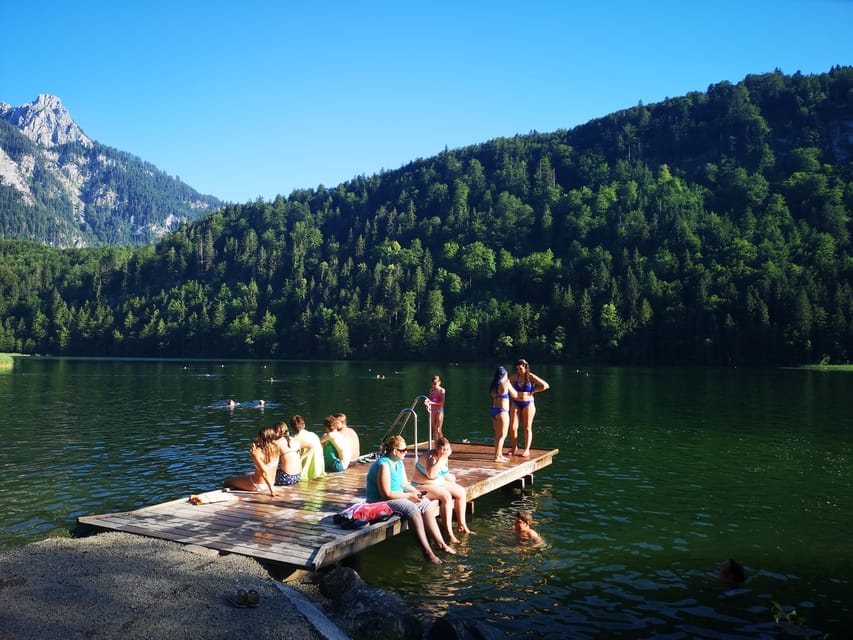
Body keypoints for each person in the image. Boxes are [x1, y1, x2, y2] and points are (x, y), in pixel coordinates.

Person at [365, 435, 456, 564]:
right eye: (403, 450)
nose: (405, 452)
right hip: (379, 501)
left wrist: (417, 493)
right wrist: (409, 496)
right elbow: (386, 494)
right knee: (411, 508)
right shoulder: (384, 465)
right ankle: (427, 552)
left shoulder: (399, 462)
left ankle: (440, 543)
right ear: (394, 451)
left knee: (425, 503)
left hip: (395, 497)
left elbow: (405, 484)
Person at [411, 436, 473, 541]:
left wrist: (451, 477)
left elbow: (443, 473)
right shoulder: (431, 457)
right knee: (446, 496)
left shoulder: (445, 456)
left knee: (461, 492)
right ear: (437, 448)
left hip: (437, 483)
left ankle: (462, 524)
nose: (445, 451)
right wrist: (441, 458)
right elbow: (430, 474)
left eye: (447, 449)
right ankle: (449, 533)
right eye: (443, 449)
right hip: (421, 485)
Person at [508, 358, 550, 457]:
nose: (519, 371)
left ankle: (527, 449)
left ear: (526, 368)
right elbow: (506, 383)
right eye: (517, 369)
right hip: (516, 402)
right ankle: (514, 447)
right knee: (513, 427)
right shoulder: (515, 376)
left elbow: (545, 385)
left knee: (527, 427)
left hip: (528, 403)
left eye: (521, 369)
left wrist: (534, 391)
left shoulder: (530, 376)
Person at [223, 426, 279, 496]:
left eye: (258, 436)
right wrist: (256, 443)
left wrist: (272, 490)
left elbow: (265, 473)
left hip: (259, 485)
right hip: (272, 481)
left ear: (260, 438)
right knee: (246, 474)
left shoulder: (257, 453)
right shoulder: (276, 448)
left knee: (228, 481)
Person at [489, 366, 518, 462]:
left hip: (494, 410)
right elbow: (515, 395)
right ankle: (497, 457)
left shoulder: (493, 385)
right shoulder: (505, 383)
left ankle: (499, 454)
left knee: (497, 435)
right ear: (504, 374)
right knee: (502, 435)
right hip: (502, 411)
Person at [289, 415, 325, 481]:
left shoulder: (296, 439)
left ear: (291, 428)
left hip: (307, 473)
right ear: (304, 425)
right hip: (319, 470)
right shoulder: (313, 434)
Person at [272, 421, 302, 486]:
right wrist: (301, 458)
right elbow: (312, 446)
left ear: (277, 432)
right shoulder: (295, 440)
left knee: (251, 475)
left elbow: (272, 464)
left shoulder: (277, 443)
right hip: (298, 476)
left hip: (287, 478)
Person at [424, 375, 446, 441]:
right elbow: (430, 399)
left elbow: (442, 403)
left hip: (439, 410)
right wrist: (427, 404)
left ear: (439, 382)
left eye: (435, 383)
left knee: (438, 429)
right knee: (434, 430)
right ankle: (436, 446)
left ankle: (442, 444)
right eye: (433, 383)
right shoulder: (431, 390)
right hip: (432, 410)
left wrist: (431, 402)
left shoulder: (442, 390)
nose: (434, 385)